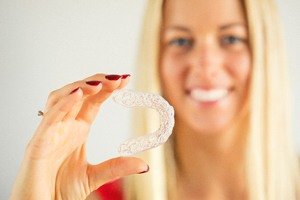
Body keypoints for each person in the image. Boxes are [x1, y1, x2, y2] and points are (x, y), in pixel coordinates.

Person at [10, 0, 300, 199]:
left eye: (232, 39)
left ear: (265, 49)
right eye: (181, 41)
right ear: (156, 57)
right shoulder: (91, 196)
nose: (205, 64)